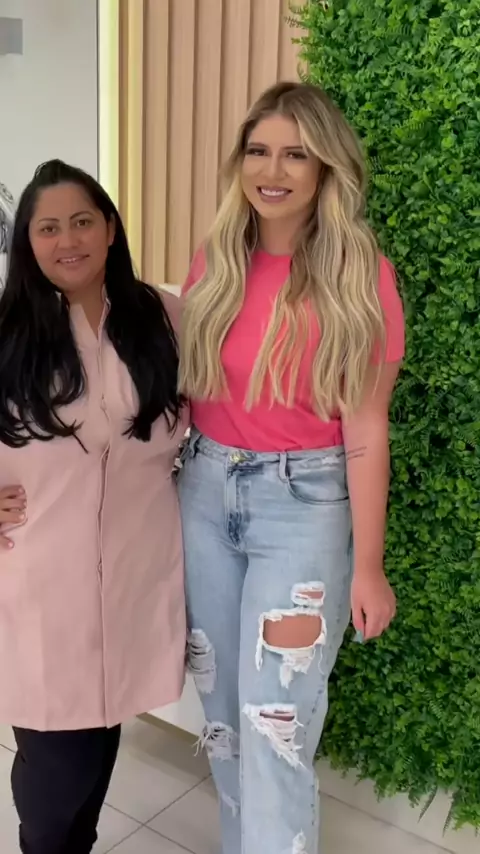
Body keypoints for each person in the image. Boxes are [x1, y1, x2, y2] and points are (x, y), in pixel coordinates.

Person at [177, 82, 405, 854]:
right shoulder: (216, 260)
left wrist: (367, 566)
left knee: (275, 729)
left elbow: (366, 426)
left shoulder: (361, 274)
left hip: (302, 508)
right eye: (258, 151)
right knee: (225, 722)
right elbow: (186, 394)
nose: (271, 171)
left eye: (295, 155)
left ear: (325, 168)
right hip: (203, 493)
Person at [0, 159, 188, 854]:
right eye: (47, 228)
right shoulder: (8, 332)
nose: (67, 240)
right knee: (54, 785)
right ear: (28, 243)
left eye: (82, 221)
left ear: (110, 228)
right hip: (40, 587)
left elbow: (216, 418)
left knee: (98, 750)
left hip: (134, 575)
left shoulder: (163, 318)